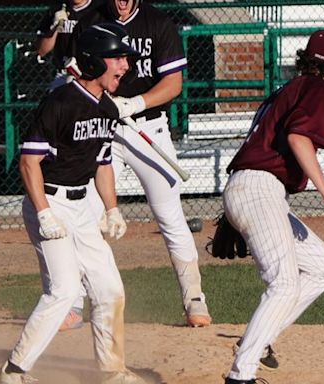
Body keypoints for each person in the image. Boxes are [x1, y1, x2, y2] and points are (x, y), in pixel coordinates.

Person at [0, 23, 147, 384]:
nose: (124, 67)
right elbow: (28, 162)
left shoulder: (108, 108)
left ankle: (111, 372)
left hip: (82, 206)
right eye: (117, 59)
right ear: (94, 62)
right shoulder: (59, 103)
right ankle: (13, 371)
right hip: (48, 201)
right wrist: (45, 214)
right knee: (63, 291)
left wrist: (112, 209)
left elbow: (103, 164)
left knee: (109, 289)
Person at [62, 0, 212, 330]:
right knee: (87, 215)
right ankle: (73, 303)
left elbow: (173, 84)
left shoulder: (158, 24)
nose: (121, 2)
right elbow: (76, 72)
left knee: (170, 217)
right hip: (104, 127)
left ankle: (194, 298)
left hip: (149, 127)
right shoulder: (92, 20)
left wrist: (135, 103)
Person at [222, 30, 324, 384]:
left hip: (256, 189)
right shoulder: (318, 88)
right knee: (283, 284)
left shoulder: (286, 89)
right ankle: (241, 375)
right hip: (259, 188)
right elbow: (298, 136)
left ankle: (259, 340)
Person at [36, 0, 105, 90]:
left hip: (93, 75)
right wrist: (54, 28)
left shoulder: (100, 9)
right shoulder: (58, 8)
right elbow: (42, 50)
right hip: (64, 73)